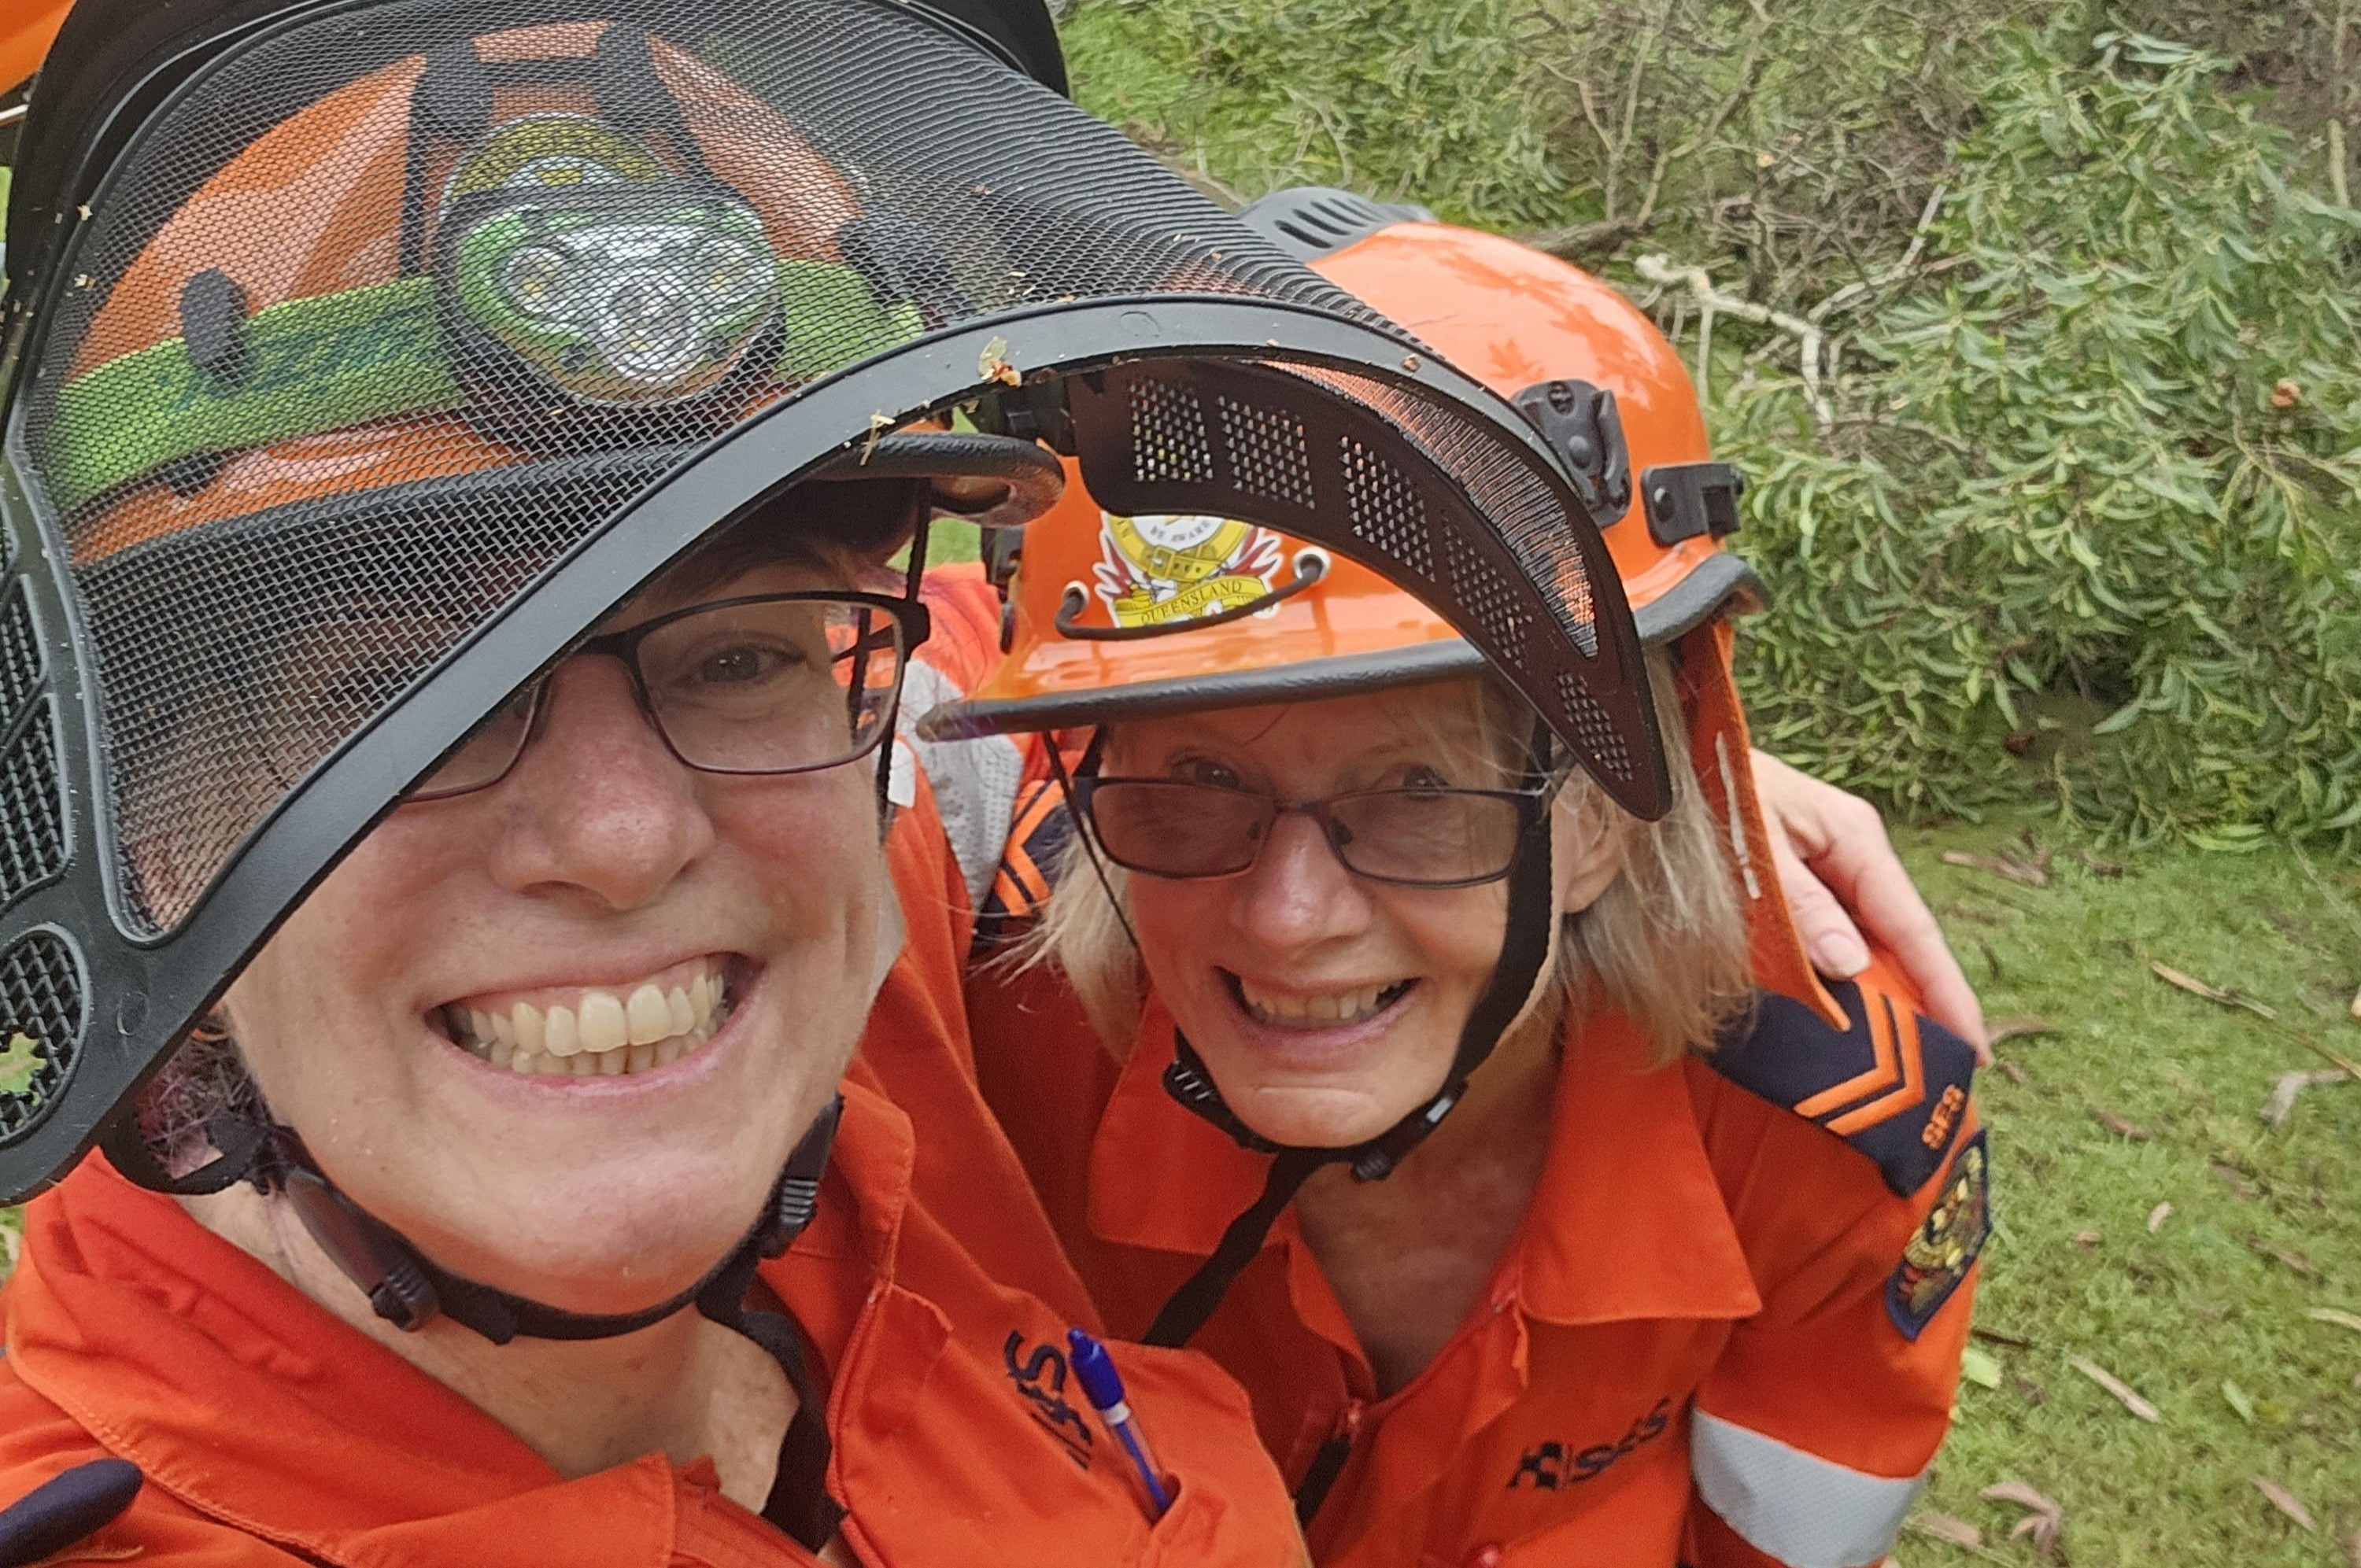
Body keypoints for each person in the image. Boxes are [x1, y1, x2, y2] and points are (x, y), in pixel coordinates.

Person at [0, 9, 1620, 1562]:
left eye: (740, 660)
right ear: (142, 829)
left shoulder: (906, 1263)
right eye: (406, 704)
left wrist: (1559, 784)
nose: (627, 838)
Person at [926, 200, 1987, 1568]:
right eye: (1197, 779)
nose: (1290, 916)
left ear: (1610, 810)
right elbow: (805, 638)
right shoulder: (992, 961)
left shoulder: (1822, 1139)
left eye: (1421, 792)